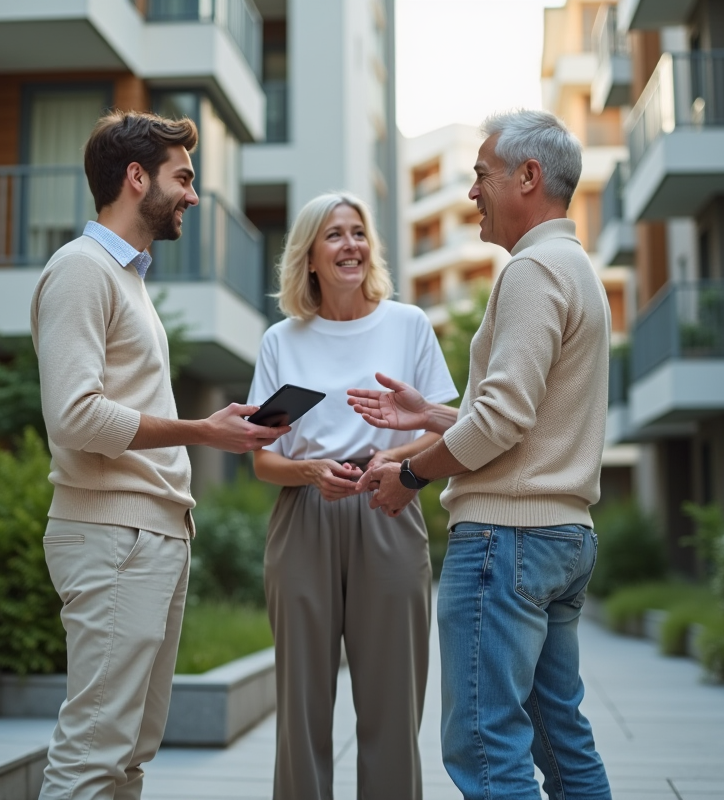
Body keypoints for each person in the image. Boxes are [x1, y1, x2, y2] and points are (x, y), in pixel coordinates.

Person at [348, 109, 614, 800]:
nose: (471, 193)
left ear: (528, 177)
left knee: (485, 742)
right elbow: (530, 416)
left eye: (481, 176)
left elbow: (501, 419)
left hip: (507, 539)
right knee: (562, 737)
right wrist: (434, 415)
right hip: (561, 536)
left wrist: (409, 471)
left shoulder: (531, 272)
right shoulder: (575, 267)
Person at [30, 109, 291, 800]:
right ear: (136, 177)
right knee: (94, 749)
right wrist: (202, 432)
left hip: (152, 532)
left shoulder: (128, 280)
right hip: (112, 534)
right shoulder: (82, 270)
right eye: (184, 178)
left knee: (130, 752)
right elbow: (75, 415)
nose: (194, 195)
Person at [247, 192, 458, 800]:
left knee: (392, 704)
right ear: (309, 256)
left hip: (387, 503)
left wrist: (389, 458)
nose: (351, 246)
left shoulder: (407, 325)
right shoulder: (283, 340)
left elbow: (441, 428)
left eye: (359, 233)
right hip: (304, 516)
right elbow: (263, 459)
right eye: (335, 235)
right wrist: (311, 472)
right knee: (302, 707)